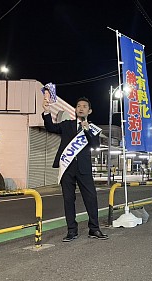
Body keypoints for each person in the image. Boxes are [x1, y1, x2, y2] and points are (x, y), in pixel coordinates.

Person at [42, 93, 109, 241]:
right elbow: (51, 127)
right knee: (68, 199)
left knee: (91, 198)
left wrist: (86, 129)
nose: (81, 108)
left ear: (89, 111)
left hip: (84, 168)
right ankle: (72, 231)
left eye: (84, 107)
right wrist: (46, 111)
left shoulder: (93, 129)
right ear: (75, 109)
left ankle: (94, 229)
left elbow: (95, 146)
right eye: (79, 106)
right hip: (67, 168)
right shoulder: (67, 125)